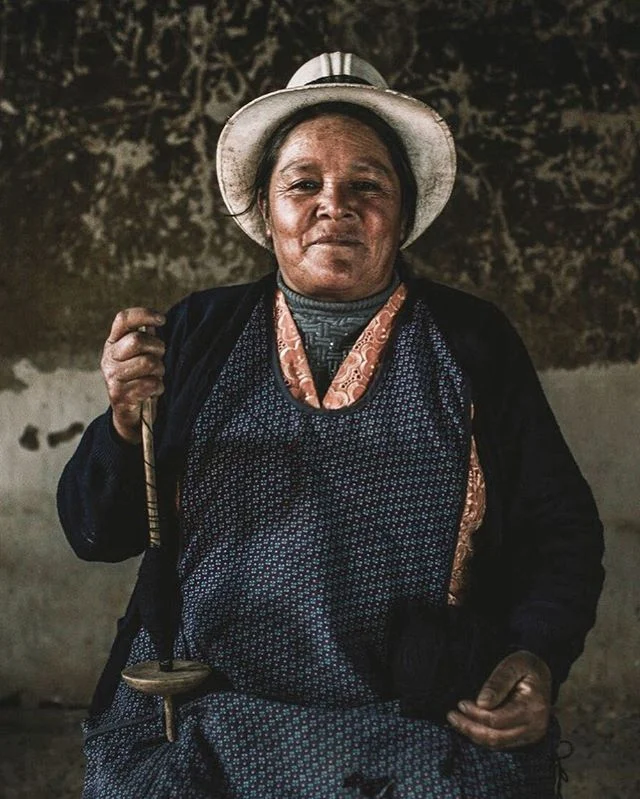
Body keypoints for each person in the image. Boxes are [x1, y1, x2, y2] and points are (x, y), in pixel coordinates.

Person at [58, 52, 604, 798]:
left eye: (367, 184)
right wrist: (124, 425)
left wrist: (537, 653)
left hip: (414, 715)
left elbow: (560, 528)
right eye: (303, 182)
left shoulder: (472, 343)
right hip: (210, 706)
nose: (333, 204)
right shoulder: (196, 334)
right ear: (266, 208)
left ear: (402, 213)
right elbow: (96, 532)